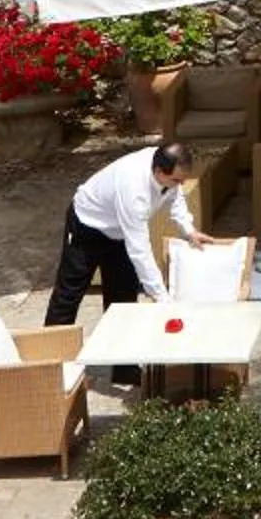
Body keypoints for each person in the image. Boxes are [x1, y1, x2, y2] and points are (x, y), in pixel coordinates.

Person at [47, 139, 213, 382]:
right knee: (68, 294)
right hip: (88, 226)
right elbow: (140, 250)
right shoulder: (133, 189)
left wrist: (188, 230)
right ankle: (52, 363)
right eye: (176, 180)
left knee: (123, 298)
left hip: (118, 233)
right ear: (158, 172)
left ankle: (123, 369)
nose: (180, 185)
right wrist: (161, 297)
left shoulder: (166, 174)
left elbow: (174, 197)